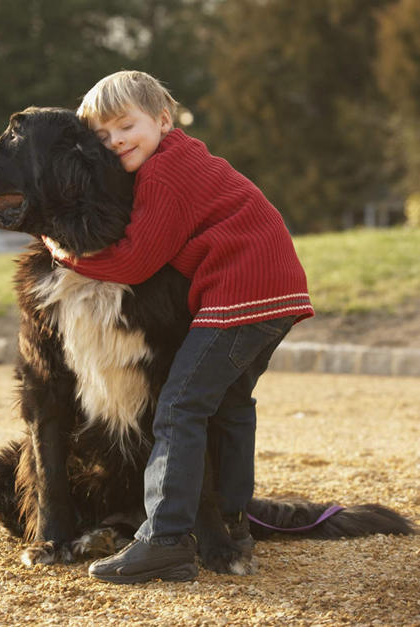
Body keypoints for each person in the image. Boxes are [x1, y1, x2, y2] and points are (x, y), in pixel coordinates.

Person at [43, 70, 314, 584]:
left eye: (126, 126)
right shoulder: (188, 159)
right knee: (230, 406)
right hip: (276, 294)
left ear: (163, 120)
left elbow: (134, 262)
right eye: (103, 134)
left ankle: (164, 540)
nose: (116, 140)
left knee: (179, 406)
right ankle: (232, 524)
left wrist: (64, 252)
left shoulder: (165, 174)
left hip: (239, 296)